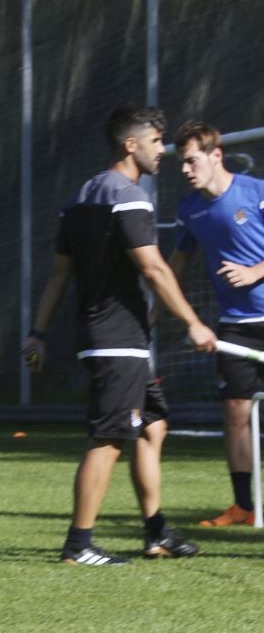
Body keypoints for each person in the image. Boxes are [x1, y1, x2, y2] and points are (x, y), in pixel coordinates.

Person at [23, 104, 216, 566]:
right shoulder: (128, 197)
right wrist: (192, 322)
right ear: (131, 145)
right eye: (155, 142)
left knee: (152, 426)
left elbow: (59, 274)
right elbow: (153, 268)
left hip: (106, 336)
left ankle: (156, 532)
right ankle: (79, 544)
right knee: (109, 438)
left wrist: (37, 332)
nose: (163, 150)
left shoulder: (79, 199)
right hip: (117, 339)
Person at [166, 119, 262, 528]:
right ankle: (244, 506)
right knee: (235, 412)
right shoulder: (189, 209)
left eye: (192, 161)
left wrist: (256, 271)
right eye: (181, 163)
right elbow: (176, 263)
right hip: (234, 326)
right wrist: (156, 307)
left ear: (216, 155)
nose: (185, 170)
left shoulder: (255, 192)